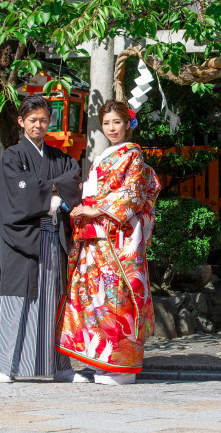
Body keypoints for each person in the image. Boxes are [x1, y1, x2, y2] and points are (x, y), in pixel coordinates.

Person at [56, 100, 160, 385]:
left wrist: (96, 209)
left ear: (128, 124)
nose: (111, 128)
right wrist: (79, 208)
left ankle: (122, 367)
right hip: (96, 238)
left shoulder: (133, 155)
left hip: (119, 237)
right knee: (97, 299)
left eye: (116, 122)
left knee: (118, 297)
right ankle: (103, 362)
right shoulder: (105, 155)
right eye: (106, 123)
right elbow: (92, 192)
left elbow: (133, 194)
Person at [0, 94, 88, 383]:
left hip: (53, 237)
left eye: (43, 120)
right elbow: (23, 192)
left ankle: (60, 367)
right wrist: (55, 194)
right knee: (19, 298)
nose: (38, 124)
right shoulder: (12, 156)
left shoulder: (59, 158)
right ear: (21, 122)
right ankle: (6, 366)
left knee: (55, 302)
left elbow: (74, 178)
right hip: (23, 238)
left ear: (49, 122)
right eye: (32, 119)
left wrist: (50, 191)